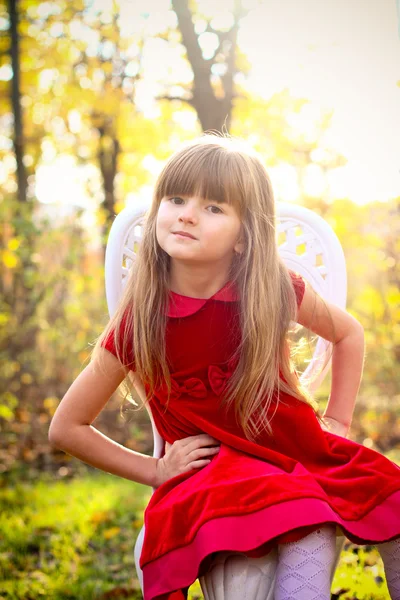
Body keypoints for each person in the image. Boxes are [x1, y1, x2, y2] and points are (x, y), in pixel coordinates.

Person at [49, 134, 400, 600]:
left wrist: (337, 420)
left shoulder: (271, 287)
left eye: (214, 207)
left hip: (296, 446)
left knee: (391, 501)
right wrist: (154, 471)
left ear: (244, 236)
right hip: (221, 468)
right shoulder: (142, 319)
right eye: (176, 198)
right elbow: (67, 427)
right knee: (307, 517)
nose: (188, 213)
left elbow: (349, 333)